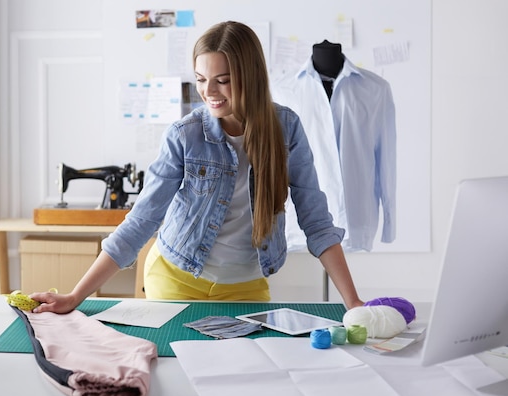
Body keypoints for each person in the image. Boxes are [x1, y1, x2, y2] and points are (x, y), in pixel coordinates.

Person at [31, 21, 364, 314]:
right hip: (177, 279)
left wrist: (354, 303)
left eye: (222, 80)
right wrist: (76, 296)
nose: (209, 92)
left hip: (246, 287)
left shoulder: (286, 129)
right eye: (202, 79)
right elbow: (143, 220)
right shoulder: (185, 135)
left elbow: (317, 222)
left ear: (250, 77)